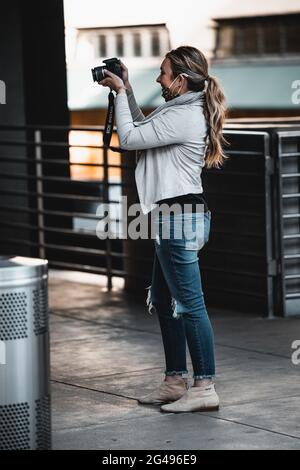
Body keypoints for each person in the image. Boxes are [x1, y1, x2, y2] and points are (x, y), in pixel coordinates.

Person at [98, 45, 228, 413]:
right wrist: (127, 90)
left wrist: (122, 94)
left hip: (179, 217)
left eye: (164, 72)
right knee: (168, 300)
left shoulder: (187, 115)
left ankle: (204, 387)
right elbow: (141, 128)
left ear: (182, 80)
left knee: (189, 304)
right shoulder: (178, 108)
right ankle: (175, 381)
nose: (159, 78)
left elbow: (129, 139)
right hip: (170, 215)